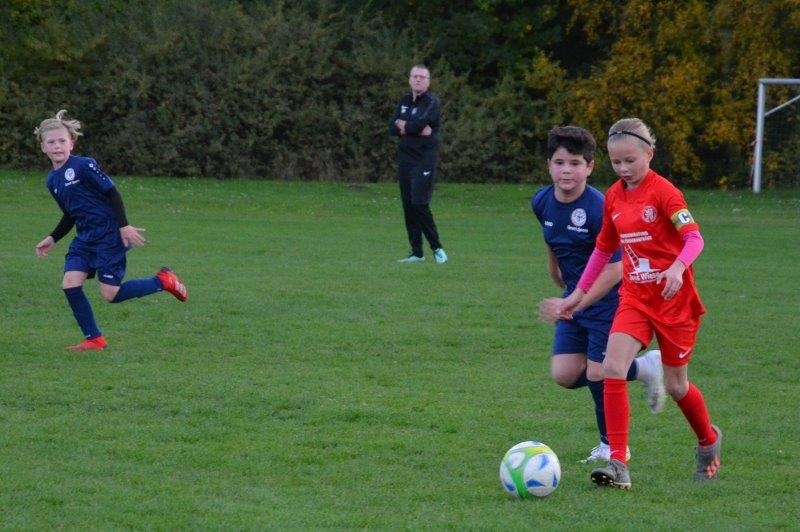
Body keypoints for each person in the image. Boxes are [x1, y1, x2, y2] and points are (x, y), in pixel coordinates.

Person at [559, 118, 722, 489]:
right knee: (612, 367)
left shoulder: (665, 193)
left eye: (630, 160)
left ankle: (708, 441)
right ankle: (618, 463)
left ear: (650, 153)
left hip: (674, 302)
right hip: (635, 298)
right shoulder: (614, 196)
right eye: (616, 162)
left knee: (677, 386)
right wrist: (578, 294)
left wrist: (677, 268)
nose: (623, 168)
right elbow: (603, 249)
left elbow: (694, 239)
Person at [533, 126, 665, 464]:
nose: (566, 171)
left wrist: (575, 301)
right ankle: (644, 368)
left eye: (575, 163)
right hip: (573, 299)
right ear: (549, 165)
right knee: (564, 374)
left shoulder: (600, 207)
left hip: (609, 302)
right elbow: (553, 241)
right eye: (559, 163)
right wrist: (557, 277)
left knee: (599, 372)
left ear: (590, 167)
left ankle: (612, 446)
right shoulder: (542, 201)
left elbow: (616, 268)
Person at [34, 109, 188, 351]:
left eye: (62, 141)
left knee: (111, 294)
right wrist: (53, 237)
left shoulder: (84, 165)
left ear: (71, 143)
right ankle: (94, 339)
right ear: (43, 147)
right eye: (51, 142)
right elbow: (71, 213)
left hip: (109, 236)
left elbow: (111, 192)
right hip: (84, 239)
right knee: (70, 284)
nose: (57, 146)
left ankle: (162, 281)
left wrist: (123, 225)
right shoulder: (52, 181)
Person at [388, 64, 448, 264]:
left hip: (423, 161)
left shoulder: (431, 102)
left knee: (419, 204)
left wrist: (406, 126)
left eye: (422, 77)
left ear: (428, 82)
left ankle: (437, 248)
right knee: (408, 206)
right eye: (415, 76)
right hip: (405, 161)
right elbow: (392, 127)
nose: (418, 79)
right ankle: (417, 252)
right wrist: (410, 127)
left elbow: (419, 124)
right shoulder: (405, 101)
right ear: (409, 79)